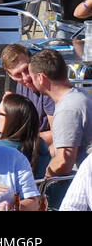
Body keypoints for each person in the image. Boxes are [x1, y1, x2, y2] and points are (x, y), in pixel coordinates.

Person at [28, 48, 92, 192]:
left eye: (32, 77)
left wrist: (40, 181)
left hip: (78, 184)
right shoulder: (79, 95)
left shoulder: (67, 109)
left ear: (41, 78)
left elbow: (64, 162)